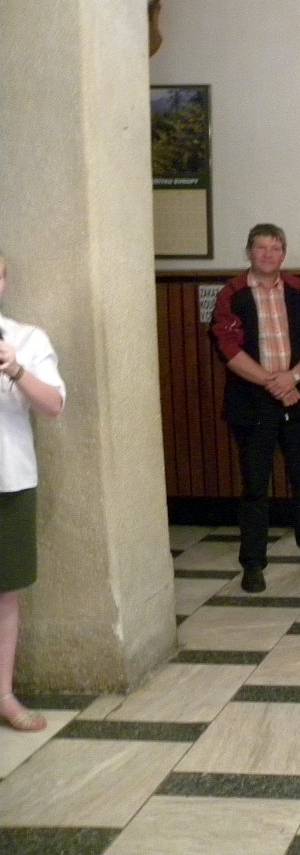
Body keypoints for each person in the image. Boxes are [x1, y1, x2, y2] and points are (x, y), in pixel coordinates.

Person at [211, 225, 300, 594]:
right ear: (249, 252)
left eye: (275, 248)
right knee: (256, 485)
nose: (268, 254)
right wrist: (273, 383)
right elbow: (227, 347)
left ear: (283, 254)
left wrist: (293, 377)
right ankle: (253, 563)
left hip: (298, 397)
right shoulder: (232, 294)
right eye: (261, 248)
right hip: (252, 403)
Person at [0, 251, 66, 732]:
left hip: (9, 481)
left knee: (5, 593)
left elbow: (54, 406)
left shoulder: (26, 338)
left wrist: (17, 370)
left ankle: (3, 695)